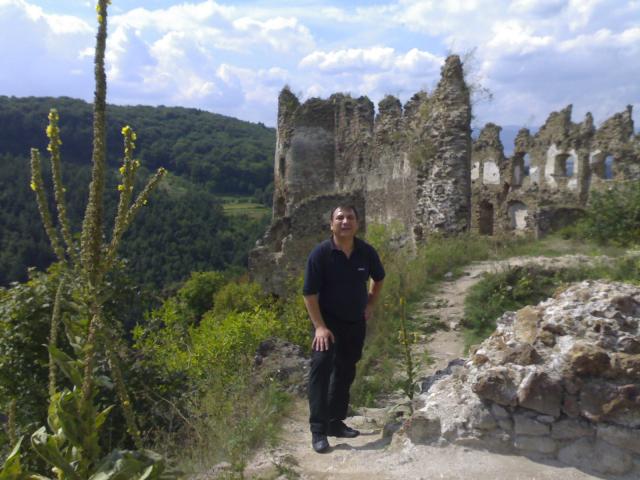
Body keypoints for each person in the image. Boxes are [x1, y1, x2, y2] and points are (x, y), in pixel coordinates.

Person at [302, 205, 385, 453]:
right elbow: (309, 294)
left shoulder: (366, 252)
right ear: (332, 224)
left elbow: (379, 278)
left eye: (350, 218)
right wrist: (319, 327)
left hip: (355, 322)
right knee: (321, 368)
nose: (345, 221)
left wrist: (370, 304)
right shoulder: (320, 254)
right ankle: (318, 430)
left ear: (357, 224)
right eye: (340, 218)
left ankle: (335, 422)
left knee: (346, 370)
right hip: (327, 323)